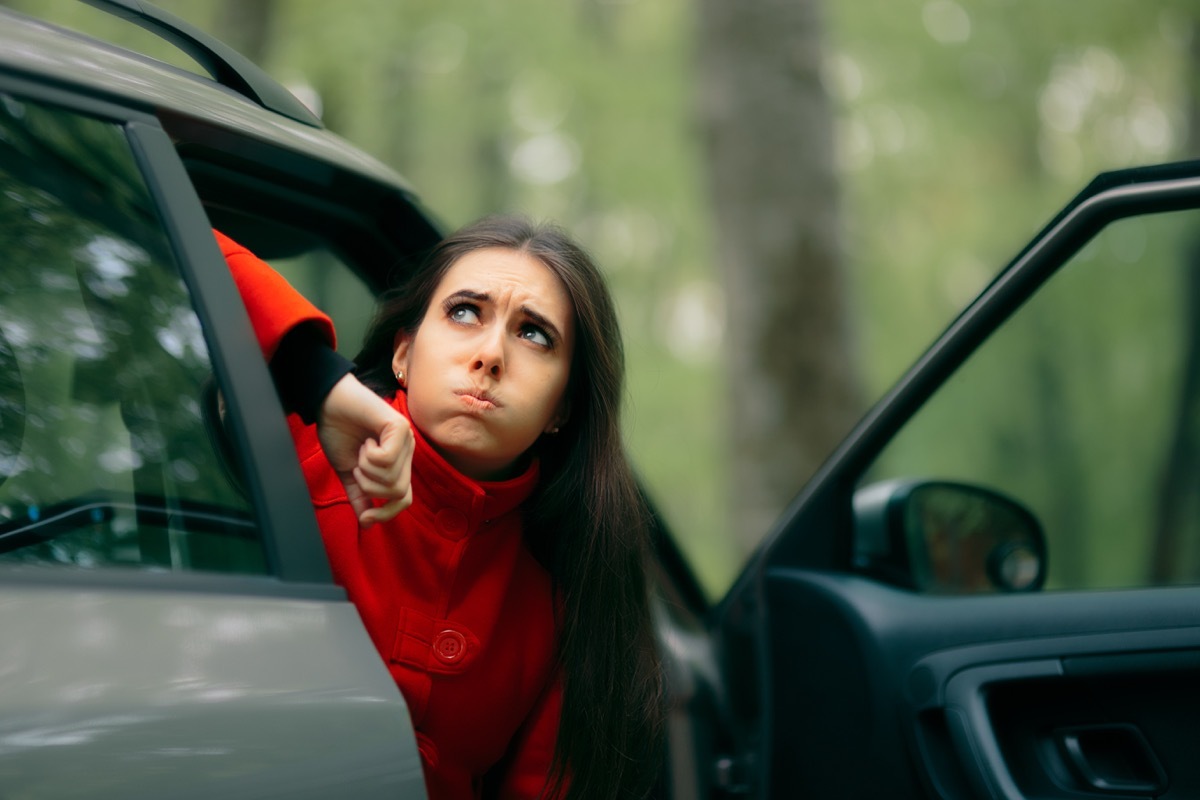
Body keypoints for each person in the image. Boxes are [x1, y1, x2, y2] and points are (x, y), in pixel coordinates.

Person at [216, 215, 664, 800]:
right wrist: (315, 373)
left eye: (534, 334)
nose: (491, 355)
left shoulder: (569, 594)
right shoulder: (294, 448)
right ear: (403, 353)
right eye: (464, 312)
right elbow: (149, 210)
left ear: (562, 409)